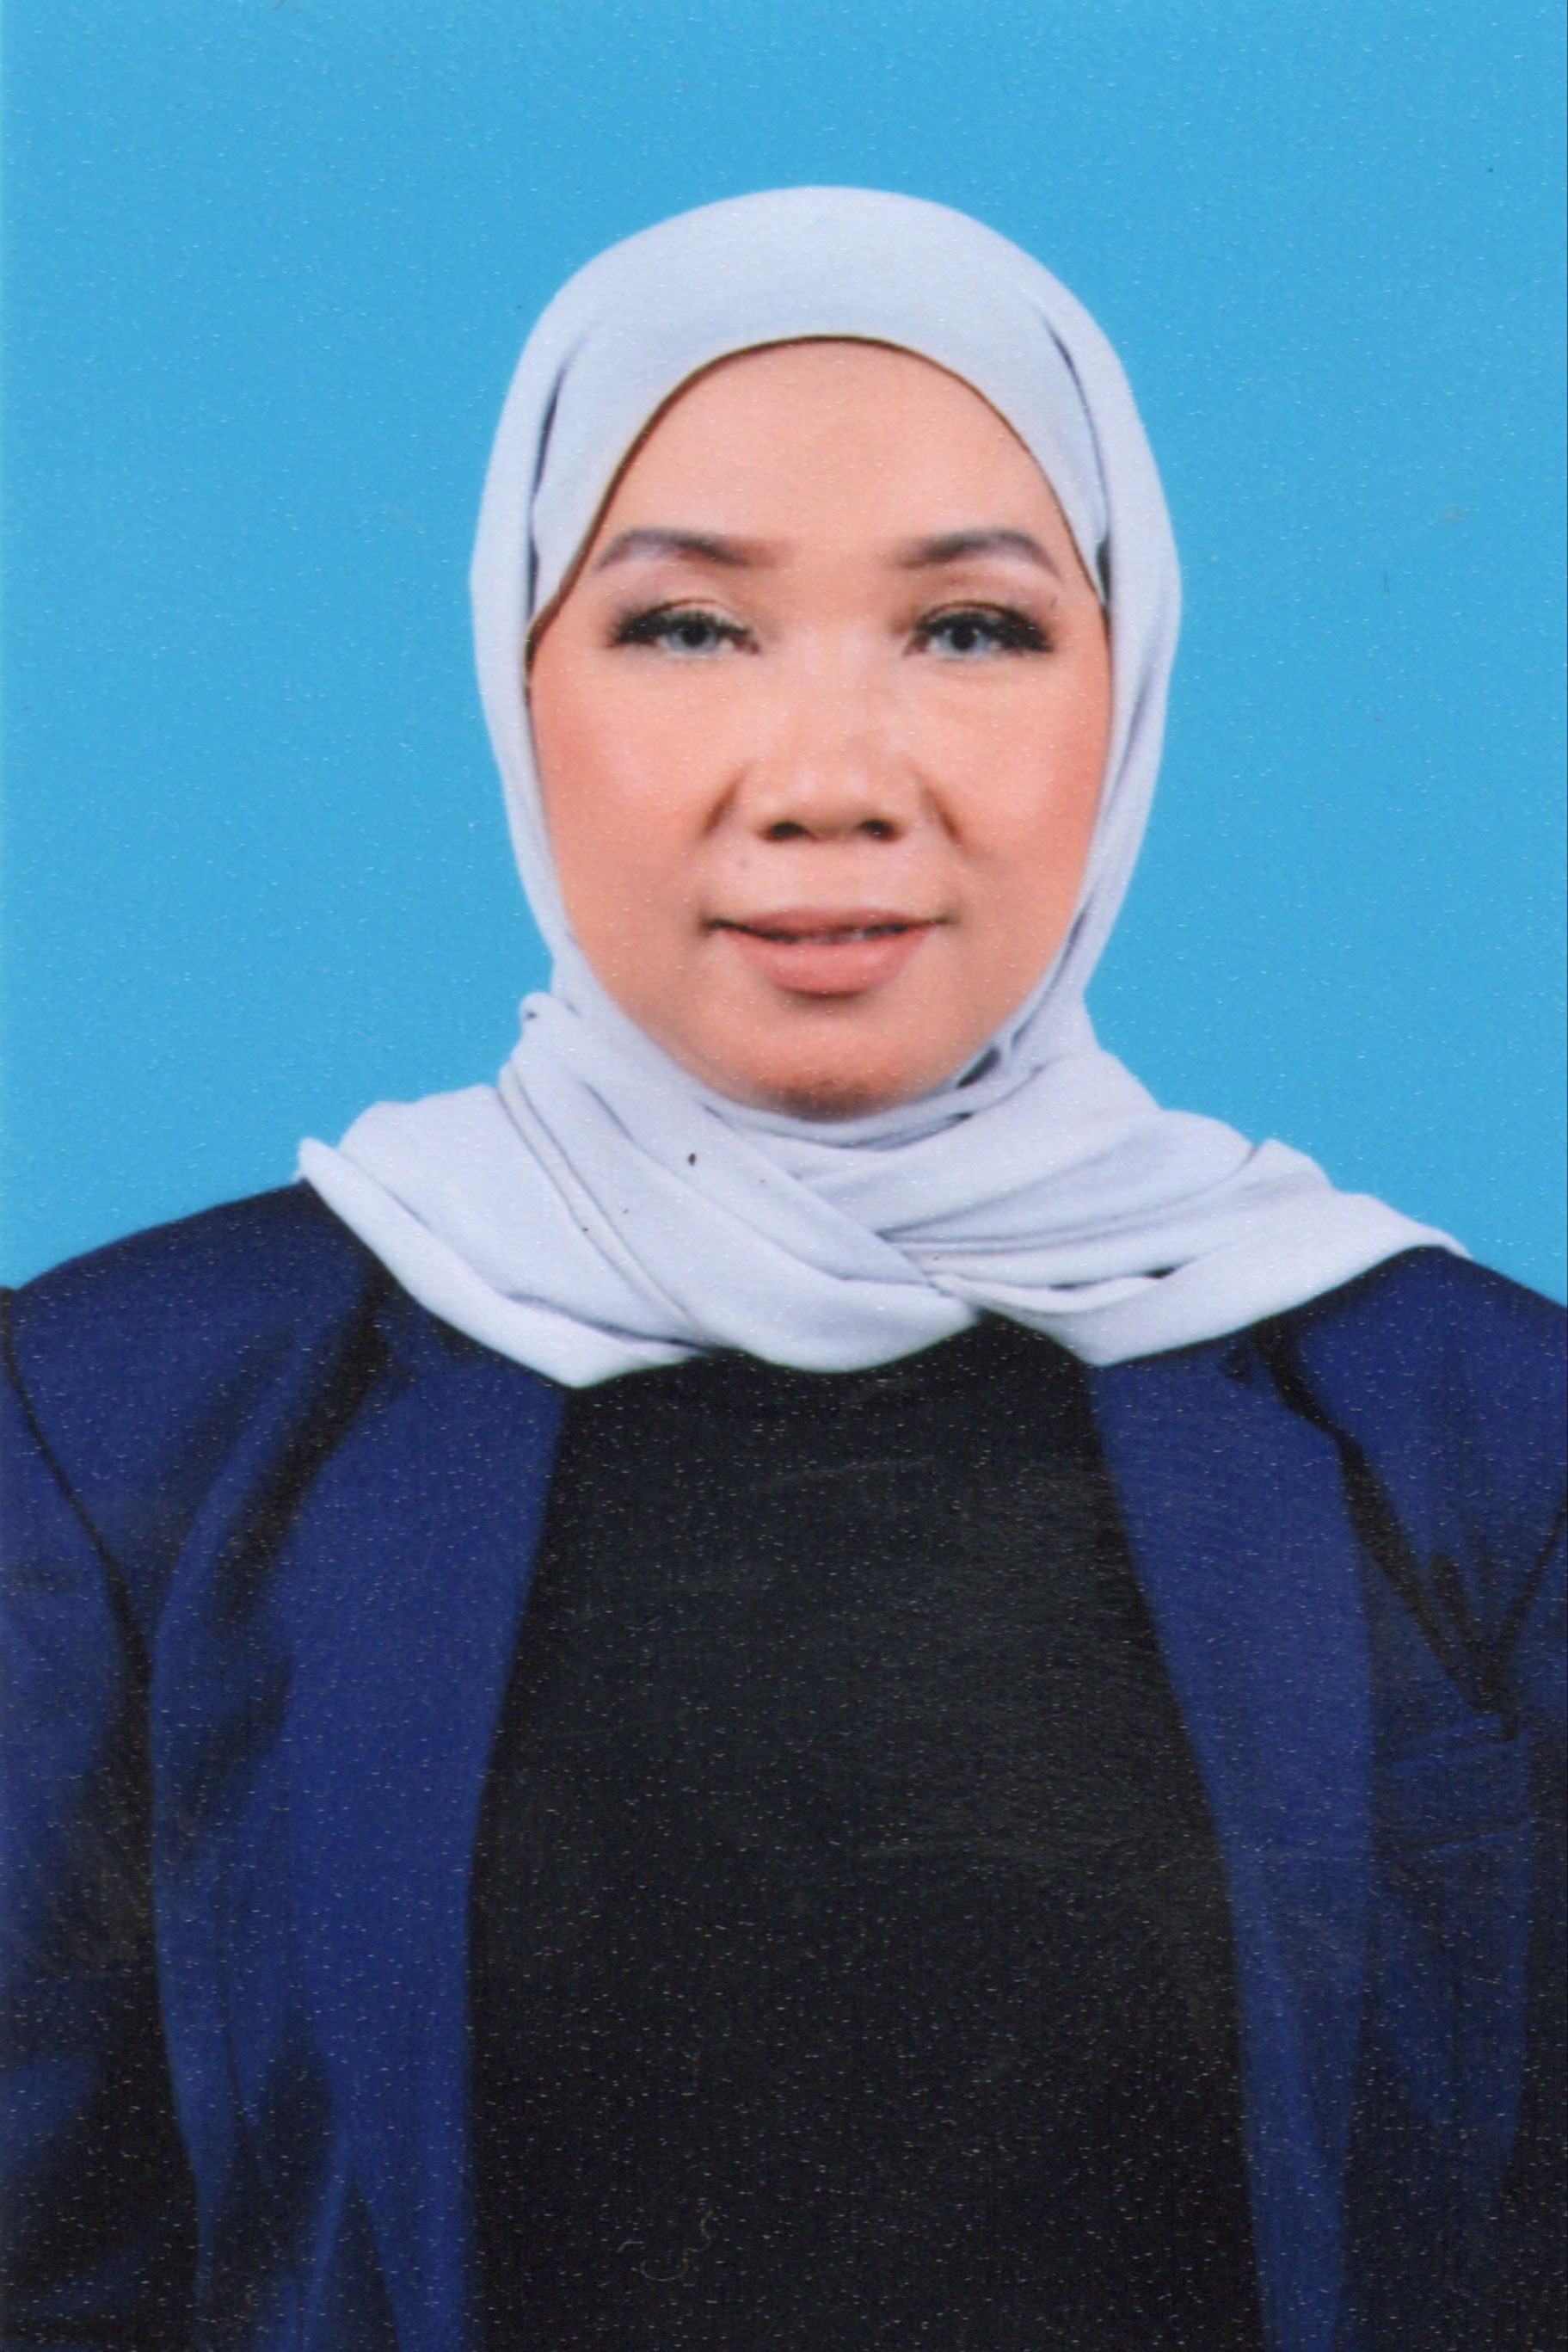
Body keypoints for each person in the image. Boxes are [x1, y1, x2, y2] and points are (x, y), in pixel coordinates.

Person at [1, 188, 1561, 2352]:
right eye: (687, 628)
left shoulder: (1486, 1439)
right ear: (516, 675)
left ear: (1128, 685)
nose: (829, 782)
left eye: (973, 629)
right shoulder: (116, 1427)